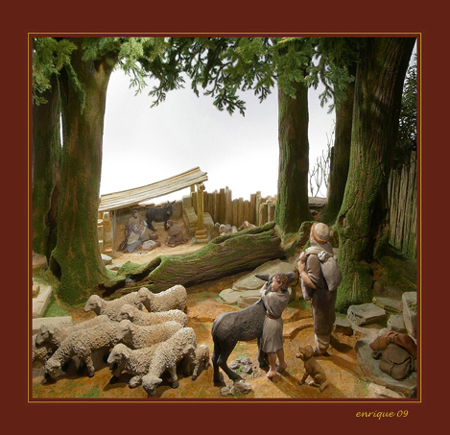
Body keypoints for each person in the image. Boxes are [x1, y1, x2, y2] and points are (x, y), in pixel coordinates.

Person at [297, 222, 340, 357]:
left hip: (321, 295)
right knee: (328, 316)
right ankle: (327, 336)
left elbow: (313, 283)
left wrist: (301, 271)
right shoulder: (327, 249)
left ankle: (322, 348)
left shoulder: (313, 257)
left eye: (311, 232)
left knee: (321, 320)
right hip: (330, 293)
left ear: (313, 237)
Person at [260, 273, 291, 379]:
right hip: (279, 320)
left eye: (273, 282)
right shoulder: (286, 294)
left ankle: (272, 369)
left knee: (271, 348)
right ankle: (282, 363)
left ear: (280, 284)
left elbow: (262, 293)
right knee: (278, 344)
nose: (271, 284)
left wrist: (264, 287)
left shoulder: (271, 296)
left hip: (271, 322)